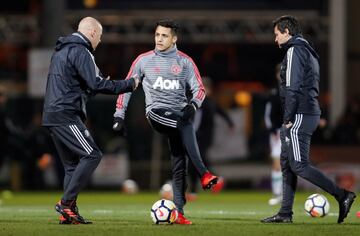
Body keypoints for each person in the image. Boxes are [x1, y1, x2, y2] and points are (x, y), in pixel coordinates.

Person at [112, 19, 219, 225]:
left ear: (174, 38)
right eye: (157, 35)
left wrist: (193, 105)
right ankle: (204, 173)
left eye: (164, 36)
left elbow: (200, 89)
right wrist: (119, 115)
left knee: (179, 163)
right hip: (157, 113)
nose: (159, 39)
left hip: (179, 115)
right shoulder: (144, 60)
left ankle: (178, 212)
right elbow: (127, 87)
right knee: (185, 126)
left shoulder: (185, 62)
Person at [42, 16, 139, 224]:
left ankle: (69, 213)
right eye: (100, 36)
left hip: (52, 113)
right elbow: (96, 84)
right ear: (93, 32)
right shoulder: (81, 50)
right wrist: (129, 84)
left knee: (71, 166)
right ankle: (66, 203)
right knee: (92, 155)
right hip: (65, 113)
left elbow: (78, 83)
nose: (100, 41)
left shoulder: (62, 49)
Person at [261, 15, 356, 224]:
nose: (275, 39)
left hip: (299, 114)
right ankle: (285, 213)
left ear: (287, 32)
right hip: (307, 112)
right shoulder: (308, 50)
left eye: (277, 34)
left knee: (299, 165)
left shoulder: (295, 50)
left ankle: (342, 195)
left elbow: (293, 88)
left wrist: (288, 118)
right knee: (287, 165)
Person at [188, 77, 234, 199]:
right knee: (194, 162)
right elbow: (221, 112)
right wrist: (230, 123)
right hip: (200, 136)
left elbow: (219, 112)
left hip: (202, 137)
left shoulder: (205, 102)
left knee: (197, 160)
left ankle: (214, 179)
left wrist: (229, 122)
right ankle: (194, 190)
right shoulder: (204, 101)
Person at [264, 64, 283, 205]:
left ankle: (279, 193)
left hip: (288, 130)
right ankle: (278, 193)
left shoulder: (291, 89)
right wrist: (272, 130)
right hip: (277, 132)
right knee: (277, 162)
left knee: (280, 162)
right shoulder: (274, 91)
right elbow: (268, 113)